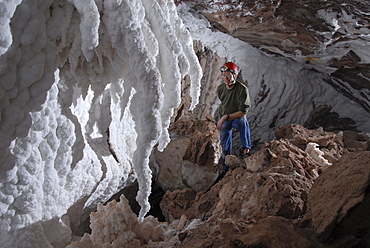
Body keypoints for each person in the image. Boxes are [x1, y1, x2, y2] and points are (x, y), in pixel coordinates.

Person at [217, 62, 251, 173]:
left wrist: (226, 117)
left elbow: (243, 112)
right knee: (224, 145)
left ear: (235, 76)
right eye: (224, 75)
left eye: (228, 75)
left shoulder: (242, 89)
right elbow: (223, 103)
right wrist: (222, 117)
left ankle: (246, 148)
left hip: (235, 118)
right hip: (225, 118)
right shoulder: (221, 89)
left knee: (242, 121)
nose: (226, 78)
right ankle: (226, 169)